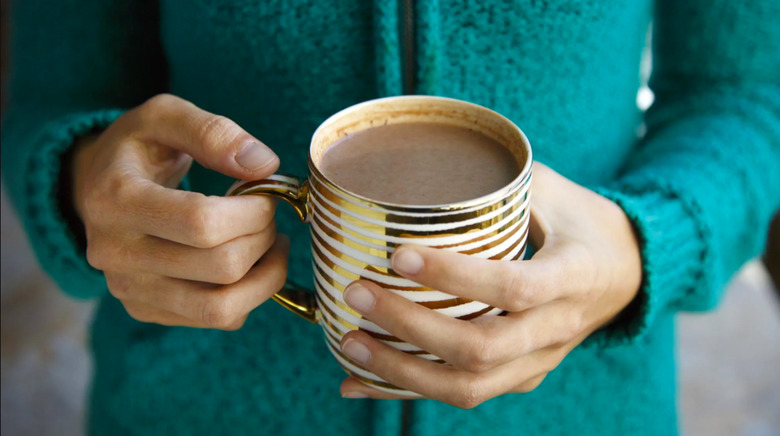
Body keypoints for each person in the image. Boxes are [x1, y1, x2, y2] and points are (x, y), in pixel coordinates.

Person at [2, 1, 778, 435]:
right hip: (194, 406)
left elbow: (746, 95)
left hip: (583, 411)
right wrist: (85, 194)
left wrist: (646, 245)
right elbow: (54, 98)